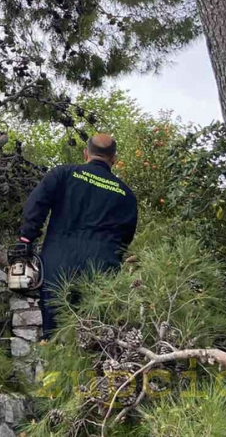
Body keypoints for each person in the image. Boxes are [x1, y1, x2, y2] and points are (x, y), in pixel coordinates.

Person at [17, 133, 138, 338]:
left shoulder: (63, 174)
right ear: (114, 159)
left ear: (86, 153)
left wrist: (26, 240)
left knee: (55, 335)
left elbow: (36, 206)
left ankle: (55, 364)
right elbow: (125, 237)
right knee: (96, 336)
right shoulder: (126, 195)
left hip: (58, 265)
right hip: (101, 271)